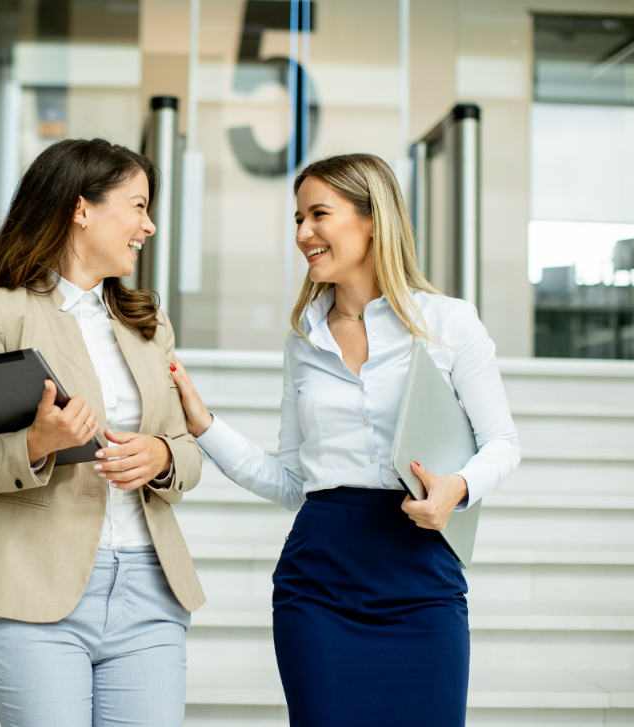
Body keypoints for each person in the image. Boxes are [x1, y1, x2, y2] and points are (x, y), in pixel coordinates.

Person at [168, 153, 520, 727]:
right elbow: (290, 481)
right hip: (319, 585)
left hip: (422, 580)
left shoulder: (450, 324)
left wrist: (457, 487)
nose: (304, 233)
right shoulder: (302, 342)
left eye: (319, 215)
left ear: (373, 219)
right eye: (298, 219)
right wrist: (205, 425)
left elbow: (503, 442)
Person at [0, 138, 205, 727]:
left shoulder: (146, 321)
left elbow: (186, 451)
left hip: (149, 589)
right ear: (81, 208)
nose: (150, 225)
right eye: (137, 206)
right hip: (34, 589)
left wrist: (160, 455)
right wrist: (37, 443)